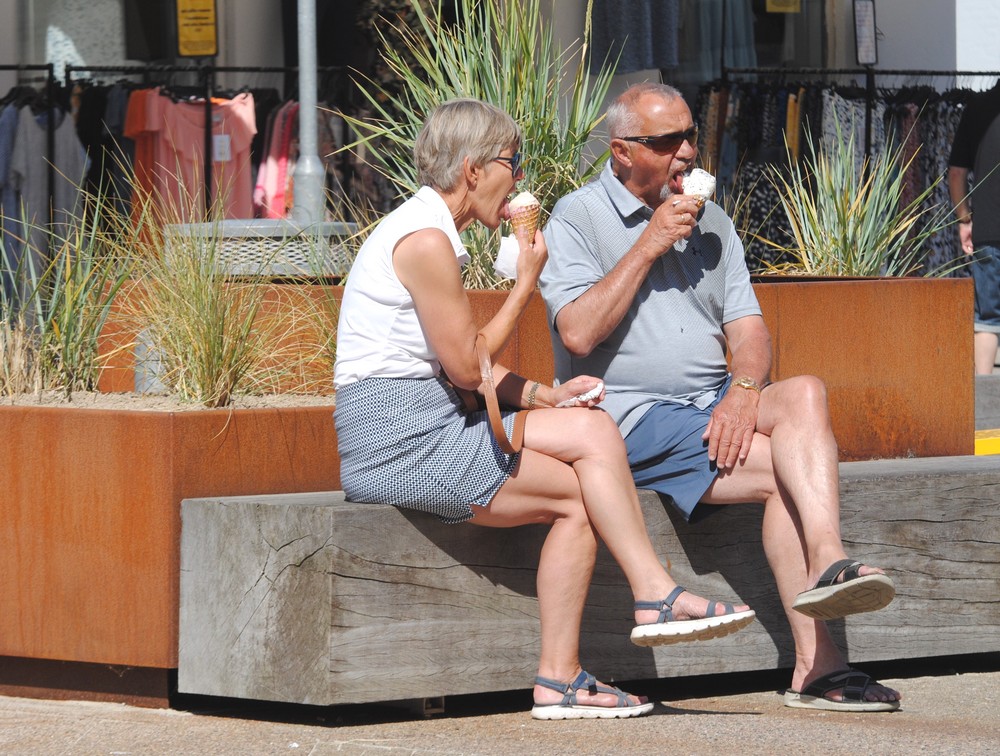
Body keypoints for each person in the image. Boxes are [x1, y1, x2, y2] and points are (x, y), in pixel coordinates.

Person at [333, 98, 755, 721]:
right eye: (513, 162)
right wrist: (526, 282)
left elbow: (465, 366)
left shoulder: (426, 230)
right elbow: (465, 364)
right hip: (401, 438)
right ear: (474, 170)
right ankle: (634, 612)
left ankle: (599, 645)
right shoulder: (424, 240)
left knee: (586, 438)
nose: (520, 177)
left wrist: (543, 394)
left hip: (439, 418)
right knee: (581, 476)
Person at [539, 82, 902, 713]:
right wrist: (649, 243)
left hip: (711, 400)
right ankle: (821, 668)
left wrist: (745, 387)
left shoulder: (713, 219)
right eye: (667, 141)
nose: (686, 150)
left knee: (805, 393)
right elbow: (576, 330)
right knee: (789, 471)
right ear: (622, 152)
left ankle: (829, 558)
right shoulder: (577, 217)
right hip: (633, 416)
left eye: (690, 136)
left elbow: (749, 328)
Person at [948, 81, 1000, 375]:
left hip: (989, 231)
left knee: (988, 320)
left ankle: (984, 403)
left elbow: (956, 173)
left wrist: (965, 219)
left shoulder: (977, 108)